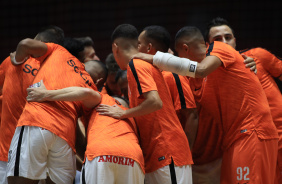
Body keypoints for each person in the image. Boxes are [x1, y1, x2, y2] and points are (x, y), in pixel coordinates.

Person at [133, 26, 278, 184]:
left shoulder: (219, 48)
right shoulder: (195, 81)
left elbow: (200, 69)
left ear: (185, 49)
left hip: (252, 131)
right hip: (231, 140)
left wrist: (152, 57)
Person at [96, 24, 193, 184]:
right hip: (157, 153)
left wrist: (123, 113)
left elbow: (155, 102)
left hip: (167, 151)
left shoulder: (136, 64)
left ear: (115, 47)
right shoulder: (139, 65)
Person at [6, 29, 97, 184]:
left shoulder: (58, 50)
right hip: (65, 136)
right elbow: (81, 131)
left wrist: (17, 60)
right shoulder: (90, 83)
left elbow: (25, 43)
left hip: (37, 121)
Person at [205, 17, 282, 183]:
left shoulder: (257, 56)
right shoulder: (212, 75)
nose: (224, 42)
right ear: (208, 45)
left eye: (228, 37)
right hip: (252, 138)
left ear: (235, 40)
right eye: (218, 39)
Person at [25, 81, 145, 184]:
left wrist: (46, 94)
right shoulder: (132, 118)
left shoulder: (106, 99)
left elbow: (86, 93)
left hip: (102, 152)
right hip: (133, 157)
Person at [0, 25, 65, 184]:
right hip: (41, 156)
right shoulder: (58, 73)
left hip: (7, 152)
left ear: (38, 42)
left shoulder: (12, 61)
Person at [137, 25, 198, 148]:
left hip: (172, 153)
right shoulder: (148, 75)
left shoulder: (172, 76)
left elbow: (192, 115)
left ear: (149, 47)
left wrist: (186, 150)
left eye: (138, 44)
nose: (135, 48)